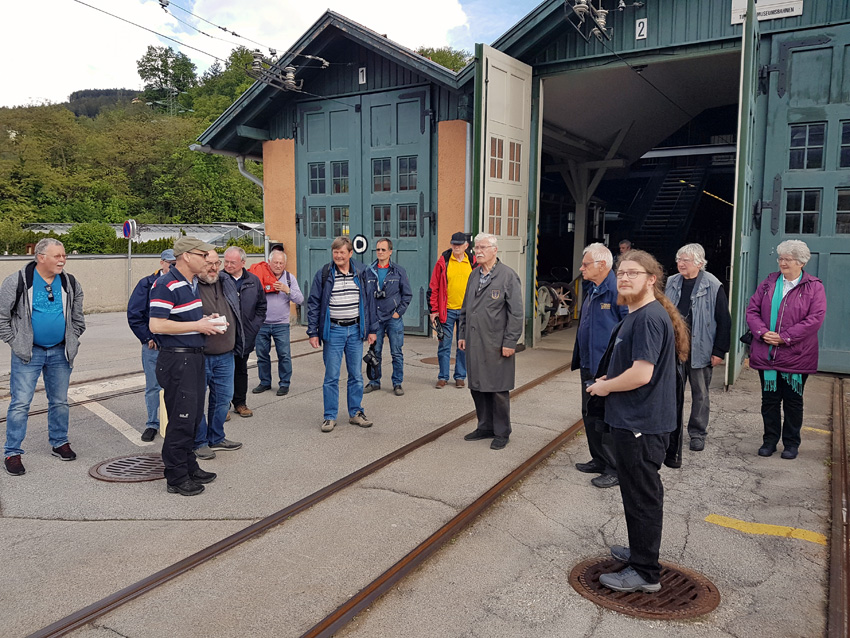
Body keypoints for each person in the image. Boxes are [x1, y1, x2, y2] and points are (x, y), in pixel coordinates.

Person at [587, 249, 689, 593]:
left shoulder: (647, 318)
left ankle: (646, 573)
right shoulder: (639, 314)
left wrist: (604, 387)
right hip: (633, 420)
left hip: (640, 424)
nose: (625, 278)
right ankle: (640, 552)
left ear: (651, 279)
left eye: (634, 273)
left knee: (643, 496)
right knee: (635, 493)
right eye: (621, 273)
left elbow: (641, 374)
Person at [0, 238, 85, 476]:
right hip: (29, 353)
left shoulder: (69, 282)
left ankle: (59, 442)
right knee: (20, 403)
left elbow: (78, 316)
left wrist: (74, 338)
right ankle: (12, 452)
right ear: (40, 257)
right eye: (57, 256)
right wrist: (16, 343)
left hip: (60, 351)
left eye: (64, 255)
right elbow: (1, 317)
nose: (62, 260)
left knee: (59, 401)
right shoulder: (17, 281)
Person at [149, 237, 221, 496]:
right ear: (187, 256)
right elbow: (156, 325)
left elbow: (179, 317)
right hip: (178, 359)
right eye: (203, 255)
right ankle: (176, 476)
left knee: (192, 417)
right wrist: (196, 326)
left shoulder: (189, 283)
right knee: (181, 419)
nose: (207, 261)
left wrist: (203, 319)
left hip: (193, 356)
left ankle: (189, 465)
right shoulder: (166, 283)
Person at [746, 239, 826, 460]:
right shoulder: (769, 283)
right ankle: (769, 441)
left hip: (797, 356)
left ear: (801, 262)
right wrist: (762, 332)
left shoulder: (814, 286)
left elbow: (815, 319)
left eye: (787, 259)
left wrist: (785, 337)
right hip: (767, 353)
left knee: (792, 401)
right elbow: (752, 310)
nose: (782, 262)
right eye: (780, 258)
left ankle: (791, 443)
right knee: (769, 400)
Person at [458, 233, 523, 451]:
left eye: (483, 247)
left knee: (497, 389)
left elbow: (516, 313)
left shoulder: (508, 276)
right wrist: (462, 335)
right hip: (475, 341)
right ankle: (484, 426)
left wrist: (510, 342)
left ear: (495, 250)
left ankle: (502, 432)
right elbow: (465, 308)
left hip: (497, 343)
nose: (478, 251)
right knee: (477, 386)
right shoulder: (474, 275)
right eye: (476, 247)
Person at [571, 243, 628, 487]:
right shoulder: (593, 289)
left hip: (607, 369)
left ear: (602, 265)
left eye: (586, 264)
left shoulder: (618, 291)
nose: (581, 268)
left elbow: (629, 329)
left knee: (606, 418)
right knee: (590, 414)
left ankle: (614, 468)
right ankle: (598, 458)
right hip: (588, 364)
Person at [665, 243, 731, 452]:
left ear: (699, 263)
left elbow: (724, 320)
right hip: (675, 348)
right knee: (670, 391)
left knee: (700, 393)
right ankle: (670, 430)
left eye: (685, 260)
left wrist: (719, 351)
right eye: (679, 259)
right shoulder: (671, 282)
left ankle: (697, 433)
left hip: (700, 348)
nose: (680, 264)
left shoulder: (712, 284)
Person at [307, 236, 377, 433]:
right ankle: (330, 416)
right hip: (334, 331)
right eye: (335, 252)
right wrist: (313, 332)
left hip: (355, 331)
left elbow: (370, 304)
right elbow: (313, 303)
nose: (338, 256)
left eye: (342, 252)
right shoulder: (324, 274)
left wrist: (372, 330)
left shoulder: (362, 272)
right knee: (331, 376)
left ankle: (356, 413)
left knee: (356, 375)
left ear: (350, 253)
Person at [192, 253, 243, 460]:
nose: (213, 268)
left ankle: (216, 437)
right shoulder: (191, 287)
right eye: (209, 264)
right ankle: (199, 441)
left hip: (225, 354)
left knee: (223, 400)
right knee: (196, 401)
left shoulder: (226, 282)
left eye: (216, 263)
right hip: (200, 355)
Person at [127, 249, 176, 442]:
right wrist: (146, 337)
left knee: (177, 385)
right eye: (170, 263)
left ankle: (174, 421)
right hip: (153, 345)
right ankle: (152, 423)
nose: (173, 267)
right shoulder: (146, 284)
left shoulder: (181, 283)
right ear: (162, 263)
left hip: (176, 344)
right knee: (153, 386)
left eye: (176, 263)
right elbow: (134, 313)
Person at [249, 246, 303, 397]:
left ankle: (284, 383)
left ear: (284, 264)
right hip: (262, 324)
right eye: (275, 262)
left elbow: (301, 299)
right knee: (262, 354)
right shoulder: (259, 275)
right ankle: (265, 382)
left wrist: (287, 290)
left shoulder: (288, 278)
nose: (278, 266)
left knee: (284, 354)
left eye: (281, 263)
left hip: (281, 324)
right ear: (269, 262)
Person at [363, 238, 413, 396]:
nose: (380, 252)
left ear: (390, 252)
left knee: (396, 352)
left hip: (393, 318)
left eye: (383, 250)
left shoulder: (398, 271)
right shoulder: (369, 271)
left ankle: (397, 383)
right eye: (378, 249)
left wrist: (398, 312)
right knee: (374, 352)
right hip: (376, 318)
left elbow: (407, 295)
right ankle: (374, 381)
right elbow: (364, 296)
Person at [222, 247, 266, 417]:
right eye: (226, 261)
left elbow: (262, 306)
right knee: (223, 371)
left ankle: (240, 403)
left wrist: (254, 326)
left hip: (245, 335)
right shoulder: (219, 279)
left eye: (232, 262)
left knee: (241, 370)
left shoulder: (253, 281)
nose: (228, 265)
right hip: (224, 335)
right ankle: (223, 406)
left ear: (242, 263)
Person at [428, 231, 476, 389]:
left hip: (466, 312)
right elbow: (434, 287)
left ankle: (460, 376)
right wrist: (434, 310)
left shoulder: (473, 262)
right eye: (454, 243)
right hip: (446, 311)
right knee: (444, 345)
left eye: (459, 244)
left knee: (463, 345)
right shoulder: (443, 262)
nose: (456, 246)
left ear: (466, 246)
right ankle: (443, 377)